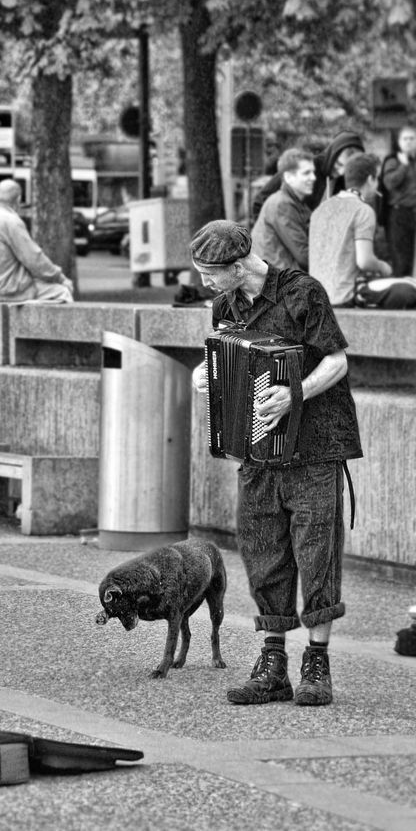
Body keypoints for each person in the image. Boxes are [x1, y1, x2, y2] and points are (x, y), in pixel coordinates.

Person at [190, 219, 362, 707]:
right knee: (264, 553)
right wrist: (206, 374)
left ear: (238, 265)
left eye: (211, 273)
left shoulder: (303, 293)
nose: (205, 282)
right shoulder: (225, 305)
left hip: (314, 447)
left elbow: (337, 362)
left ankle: (317, 661)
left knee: (317, 554)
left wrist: (295, 395)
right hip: (259, 450)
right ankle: (272, 664)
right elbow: (225, 357)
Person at [309, 153, 416, 309]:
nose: (378, 185)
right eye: (377, 179)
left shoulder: (320, 209)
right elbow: (364, 261)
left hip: (316, 297)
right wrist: (383, 267)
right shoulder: (363, 210)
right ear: (370, 179)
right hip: (345, 296)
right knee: (409, 288)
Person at [0, 179, 74, 303]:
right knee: (62, 292)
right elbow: (34, 259)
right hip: (2, 291)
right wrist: (60, 278)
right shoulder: (10, 220)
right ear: (18, 199)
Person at [251, 130, 364, 221]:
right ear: (332, 154)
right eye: (338, 164)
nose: (340, 172)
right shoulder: (306, 166)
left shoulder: (342, 182)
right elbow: (260, 200)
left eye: (348, 169)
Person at [250, 148, 315, 271]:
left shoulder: (293, 202)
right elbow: (304, 256)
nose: (313, 178)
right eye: (306, 173)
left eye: (313, 172)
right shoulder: (282, 205)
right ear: (289, 177)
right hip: (277, 283)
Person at [380, 125, 416, 277]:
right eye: (405, 139)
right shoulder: (392, 161)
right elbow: (389, 183)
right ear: (399, 142)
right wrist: (404, 166)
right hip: (398, 214)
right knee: (401, 261)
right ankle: (402, 298)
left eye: (412, 138)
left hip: (414, 213)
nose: (408, 142)